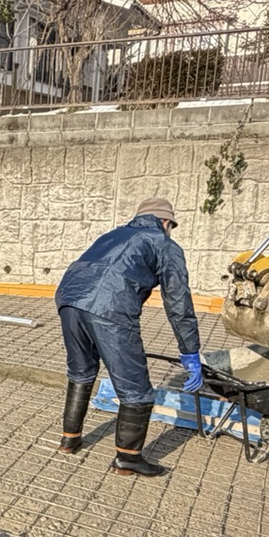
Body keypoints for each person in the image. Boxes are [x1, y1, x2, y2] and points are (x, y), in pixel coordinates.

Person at [53, 197, 204, 477]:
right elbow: (178, 303)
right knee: (137, 389)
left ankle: (69, 439)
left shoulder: (113, 235)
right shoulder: (164, 244)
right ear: (165, 222)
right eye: (171, 226)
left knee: (81, 371)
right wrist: (190, 351)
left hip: (69, 298)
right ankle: (128, 459)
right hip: (109, 306)